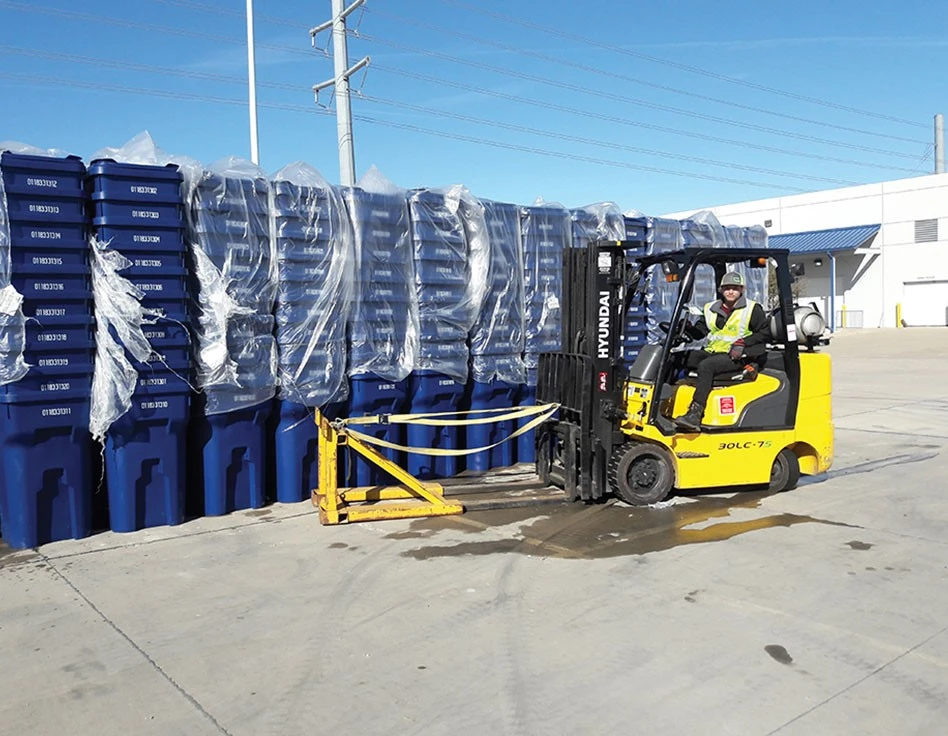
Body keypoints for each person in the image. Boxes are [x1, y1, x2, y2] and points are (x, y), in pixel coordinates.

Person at [674, 271, 770, 432]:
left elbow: (765, 333)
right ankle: (663, 400)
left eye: (735, 288)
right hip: (713, 352)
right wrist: (689, 329)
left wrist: (744, 343)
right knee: (677, 357)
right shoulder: (710, 309)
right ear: (721, 290)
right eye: (727, 288)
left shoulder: (752, 309)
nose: (731, 291)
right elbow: (701, 332)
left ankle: (695, 414)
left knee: (706, 366)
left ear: (741, 290)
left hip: (738, 356)